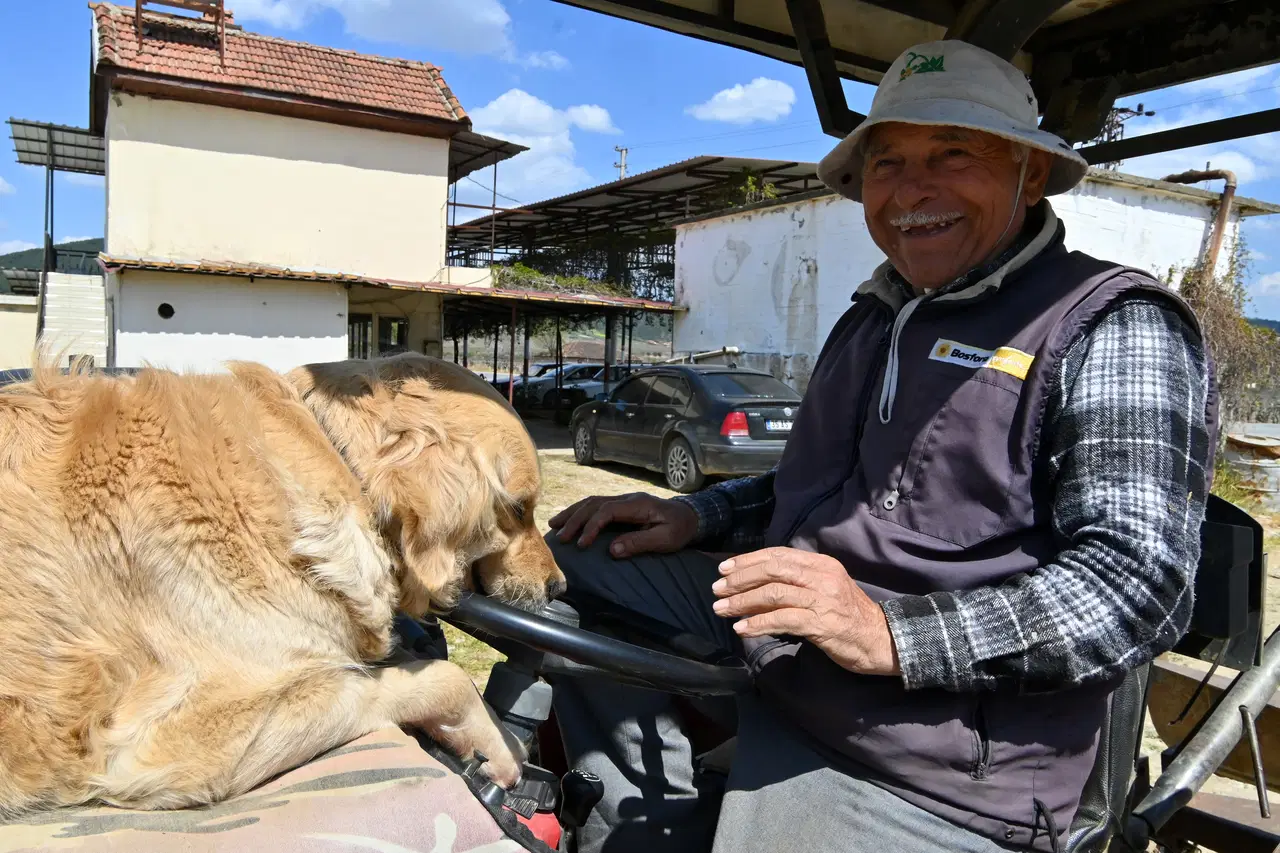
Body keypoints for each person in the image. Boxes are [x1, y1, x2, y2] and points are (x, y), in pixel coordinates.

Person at [546, 39, 1215, 853]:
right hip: (793, 654)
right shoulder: (875, 315)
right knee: (556, 565)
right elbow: (821, 483)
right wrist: (695, 513)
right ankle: (637, 823)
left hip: (928, 759)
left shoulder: (1112, 324)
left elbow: (1137, 584)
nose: (911, 190)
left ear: (1030, 175)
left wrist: (892, 633)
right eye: (888, 162)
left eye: (953, 153)